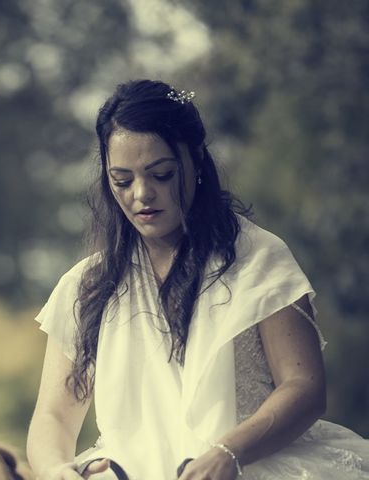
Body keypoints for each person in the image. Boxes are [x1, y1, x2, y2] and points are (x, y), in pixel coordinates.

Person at [26, 79, 369, 479]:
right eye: (122, 180)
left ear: (197, 162)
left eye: (162, 174)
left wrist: (229, 452)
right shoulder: (88, 284)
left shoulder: (259, 259)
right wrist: (54, 470)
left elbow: (304, 388)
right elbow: (53, 414)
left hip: (247, 466)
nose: (142, 194)